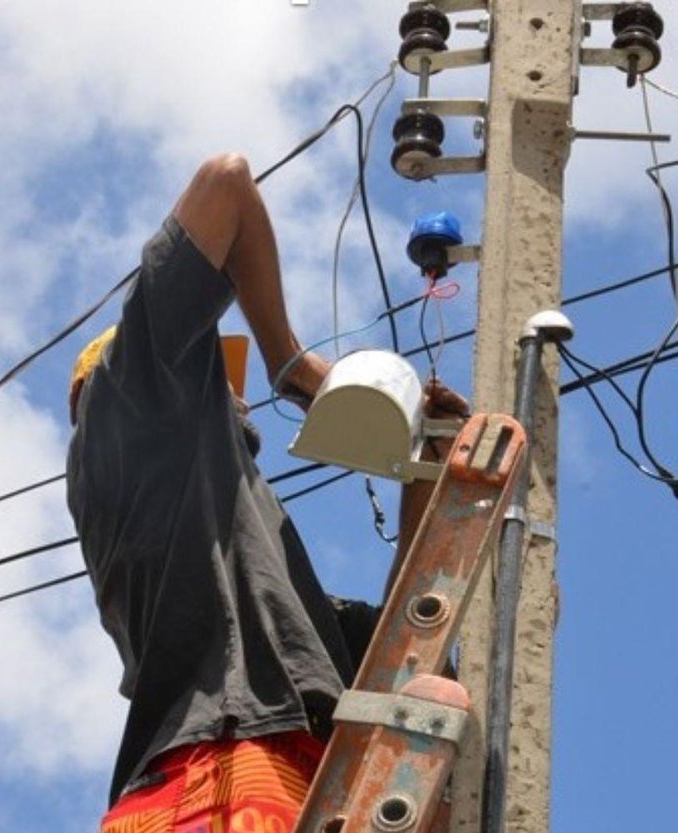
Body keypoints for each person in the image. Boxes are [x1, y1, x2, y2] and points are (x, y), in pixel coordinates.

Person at [66, 153, 468, 833]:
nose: (236, 395)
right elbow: (227, 185)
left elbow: (403, 649)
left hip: (295, 786)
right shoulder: (132, 413)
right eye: (212, 374)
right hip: (219, 782)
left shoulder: (256, 559)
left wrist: (432, 470)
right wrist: (294, 365)